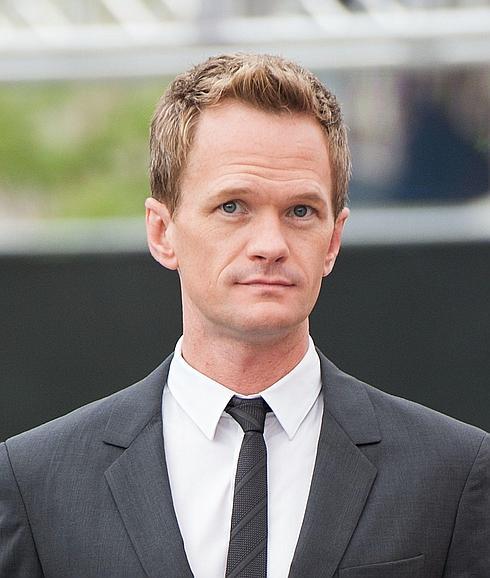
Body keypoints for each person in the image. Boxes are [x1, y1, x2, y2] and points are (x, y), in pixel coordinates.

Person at [0, 54, 488, 578]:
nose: (270, 245)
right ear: (162, 231)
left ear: (333, 241)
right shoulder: (36, 483)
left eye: (301, 211)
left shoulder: (451, 473)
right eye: (233, 206)